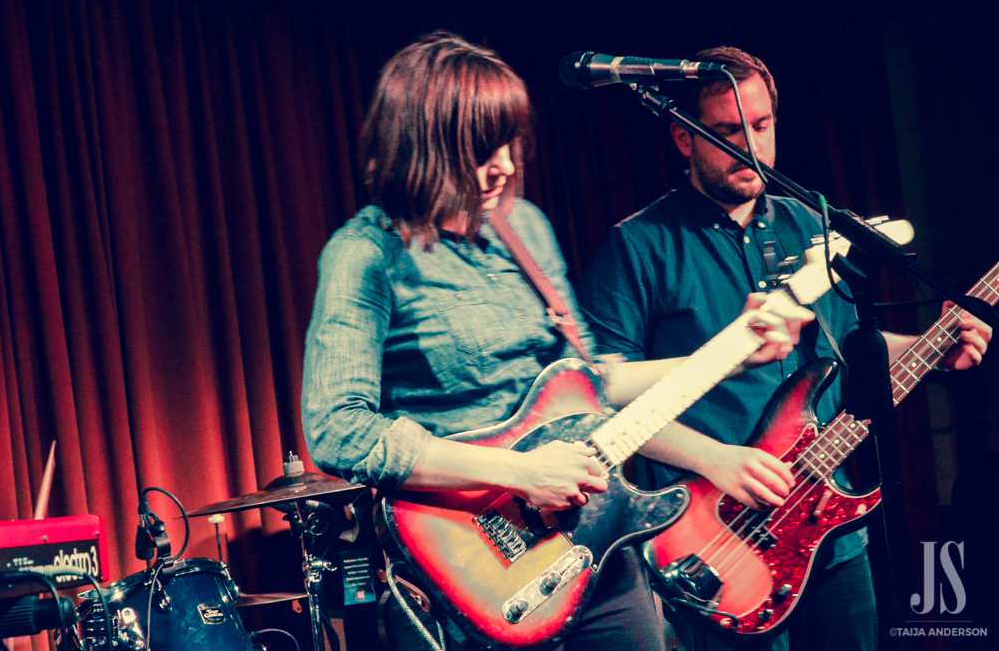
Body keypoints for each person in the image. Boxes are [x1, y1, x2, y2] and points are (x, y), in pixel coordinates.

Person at [300, 34, 809, 651]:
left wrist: (726, 356)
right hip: (476, 559)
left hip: (591, 536)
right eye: (481, 149)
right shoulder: (365, 255)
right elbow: (339, 431)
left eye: (508, 143)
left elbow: (589, 384)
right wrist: (519, 472)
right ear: (425, 147)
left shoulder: (525, 228)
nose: (504, 166)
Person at [574, 46, 992, 651]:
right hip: (716, 540)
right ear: (682, 137)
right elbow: (601, 398)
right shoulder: (637, 246)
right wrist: (716, 459)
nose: (749, 146)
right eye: (725, 132)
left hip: (829, 531)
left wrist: (932, 348)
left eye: (761, 125)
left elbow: (848, 350)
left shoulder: (815, 227)